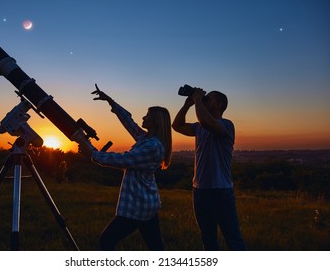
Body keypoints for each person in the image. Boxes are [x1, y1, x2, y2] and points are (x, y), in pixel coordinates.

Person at [78, 85, 172, 250]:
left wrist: (92, 153)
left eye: (147, 115)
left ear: (155, 122)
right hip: (146, 204)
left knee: (106, 241)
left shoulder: (153, 146)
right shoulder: (145, 138)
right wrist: (111, 102)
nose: (143, 117)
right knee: (156, 247)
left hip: (138, 205)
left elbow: (123, 160)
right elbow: (129, 121)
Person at [172, 87, 246, 250]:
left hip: (221, 190)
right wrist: (187, 105)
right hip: (200, 190)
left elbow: (207, 122)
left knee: (233, 238)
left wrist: (198, 99)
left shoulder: (226, 125)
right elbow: (176, 126)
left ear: (219, 104)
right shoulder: (199, 127)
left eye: (208, 99)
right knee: (208, 238)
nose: (204, 100)